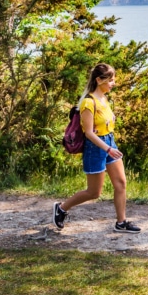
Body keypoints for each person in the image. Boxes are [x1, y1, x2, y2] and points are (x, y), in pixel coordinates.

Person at [53, 63, 141, 234]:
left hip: (109, 142)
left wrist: (110, 143)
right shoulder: (88, 102)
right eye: (111, 80)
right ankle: (61, 208)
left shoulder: (104, 99)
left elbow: (104, 123)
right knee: (94, 192)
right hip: (96, 147)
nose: (113, 83)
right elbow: (88, 133)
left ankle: (121, 223)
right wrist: (107, 149)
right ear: (99, 80)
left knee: (121, 183)